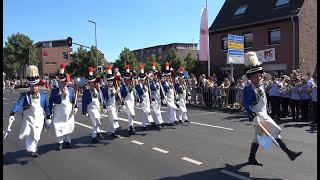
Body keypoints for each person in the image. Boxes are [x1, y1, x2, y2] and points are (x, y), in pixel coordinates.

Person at [242, 52, 302, 166]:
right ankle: (290, 152)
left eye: (259, 75)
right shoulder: (248, 88)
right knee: (275, 132)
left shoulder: (262, 85)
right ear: (250, 77)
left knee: (257, 138)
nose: (258, 77)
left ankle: (251, 158)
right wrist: (253, 115)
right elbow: (247, 104)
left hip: (264, 114)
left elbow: (264, 100)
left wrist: (268, 109)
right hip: (258, 116)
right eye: (255, 76)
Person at [7, 65, 51, 157]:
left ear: (38, 86)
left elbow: (47, 107)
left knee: (37, 135)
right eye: (32, 86)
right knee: (30, 133)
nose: (34, 88)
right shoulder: (25, 95)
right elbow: (18, 104)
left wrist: (48, 116)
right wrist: (13, 113)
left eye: (35, 86)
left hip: (39, 118)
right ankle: (31, 150)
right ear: (29, 86)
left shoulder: (43, 95)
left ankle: (33, 148)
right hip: (29, 118)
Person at [48, 63, 79, 150]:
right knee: (59, 127)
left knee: (68, 127)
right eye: (60, 82)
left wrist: (76, 107)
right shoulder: (54, 91)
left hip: (68, 113)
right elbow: (50, 102)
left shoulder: (71, 91)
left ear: (66, 82)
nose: (61, 84)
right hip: (58, 113)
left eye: (63, 82)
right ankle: (60, 142)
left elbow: (74, 101)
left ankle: (67, 141)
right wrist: (48, 114)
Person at [82, 67, 105, 142]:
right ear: (88, 84)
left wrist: (104, 106)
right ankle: (94, 137)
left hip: (97, 108)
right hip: (91, 108)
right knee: (95, 121)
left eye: (93, 84)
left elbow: (101, 99)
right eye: (90, 84)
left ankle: (97, 133)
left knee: (98, 121)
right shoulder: (86, 92)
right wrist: (84, 111)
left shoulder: (98, 91)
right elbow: (84, 102)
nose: (91, 85)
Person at [101, 65, 122, 138]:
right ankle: (117, 127)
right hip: (109, 106)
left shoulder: (116, 88)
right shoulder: (105, 89)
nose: (110, 83)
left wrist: (120, 103)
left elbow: (118, 96)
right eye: (108, 82)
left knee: (112, 119)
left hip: (115, 105)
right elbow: (103, 98)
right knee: (114, 117)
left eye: (111, 82)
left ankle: (113, 132)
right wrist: (104, 106)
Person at [135, 64, 158, 130]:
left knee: (144, 113)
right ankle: (152, 122)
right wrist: (139, 100)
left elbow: (149, 92)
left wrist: (151, 99)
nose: (142, 81)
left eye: (143, 80)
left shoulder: (146, 86)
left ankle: (144, 126)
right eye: (141, 80)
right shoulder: (138, 86)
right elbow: (137, 94)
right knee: (147, 111)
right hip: (143, 101)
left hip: (147, 100)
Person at [120, 64, 137, 135]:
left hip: (132, 101)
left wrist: (137, 99)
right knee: (132, 114)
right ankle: (130, 126)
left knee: (131, 115)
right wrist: (122, 103)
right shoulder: (122, 87)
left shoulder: (131, 86)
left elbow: (135, 93)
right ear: (124, 79)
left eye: (129, 79)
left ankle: (131, 127)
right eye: (126, 79)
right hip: (126, 102)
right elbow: (120, 95)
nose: (128, 80)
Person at [149, 62, 166, 127]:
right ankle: (161, 122)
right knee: (157, 111)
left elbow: (161, 90)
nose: (155, 76)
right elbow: (149, 91)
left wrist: (163, 97)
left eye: (156, 75)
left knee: (157, 110)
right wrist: (151, 99)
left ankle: (154, 122)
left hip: (158, 98)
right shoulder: (150, 83)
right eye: (154, 75)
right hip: (153, 98)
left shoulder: (158, 82)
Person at [162, 62, 179, 126]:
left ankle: (173, 119)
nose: (167, 77)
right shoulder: (164, 83)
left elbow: (173, 89)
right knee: (172, 108)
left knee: (170, 109)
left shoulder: (170, 82)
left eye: (168, 76)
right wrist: (164, 97)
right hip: (168, 97)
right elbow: (165, 90)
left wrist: (175, 94)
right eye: (166, 76)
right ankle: (171, 120)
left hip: (172, 97)